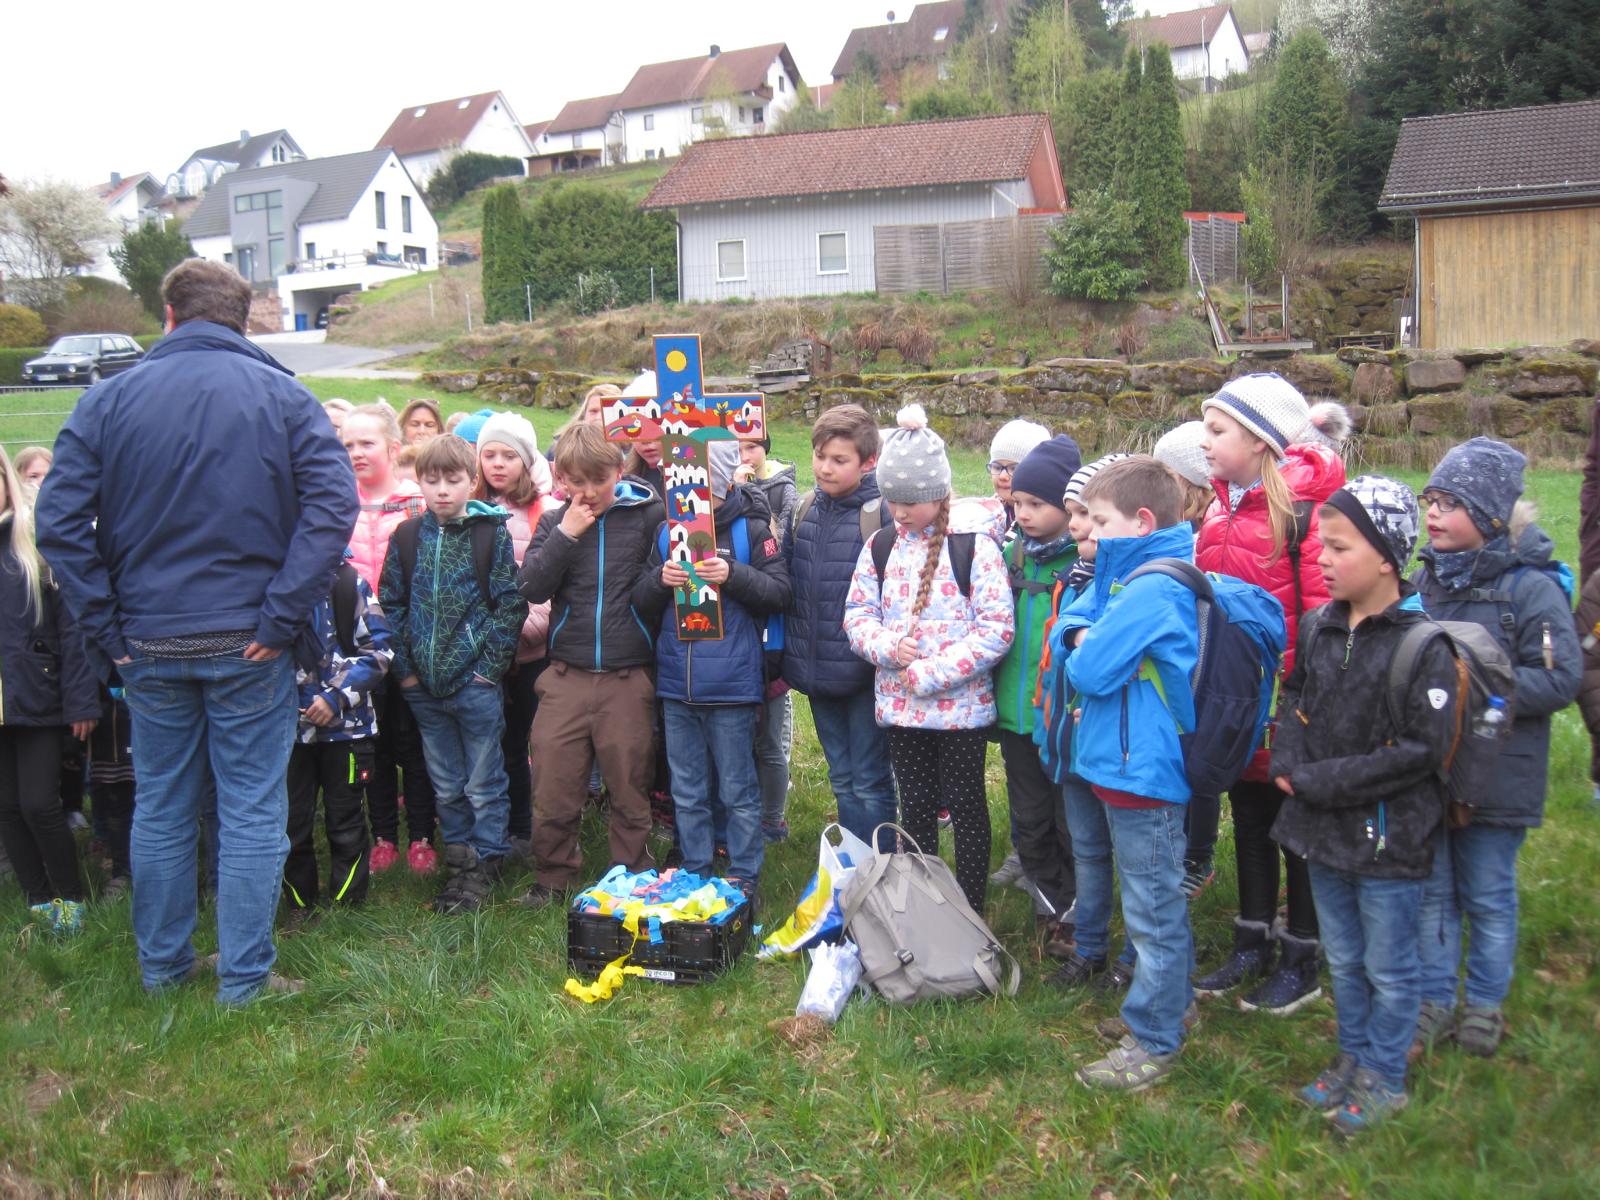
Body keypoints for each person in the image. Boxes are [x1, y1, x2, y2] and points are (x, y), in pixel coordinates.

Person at [37, 258, 357, 1003]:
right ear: (241, 321)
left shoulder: (108, 400)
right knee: (249, 810)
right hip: (244, 638)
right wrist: (281, 615)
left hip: (152, 641)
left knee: (163, 806)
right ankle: (241, 980)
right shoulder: (284, 396)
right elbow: (331, 507)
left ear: (170, 315)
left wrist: (109, 628)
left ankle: (166, 970)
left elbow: (58, 523)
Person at [1270, 475, 1455, 1137]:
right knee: (1345, 959)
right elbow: (1294, 696)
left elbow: (1419, 751)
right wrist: (1287, 760)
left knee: (1390, 966)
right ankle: (1351, 1056)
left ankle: (1385, 1075)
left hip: (1387, 840)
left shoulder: (1423, 647)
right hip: (1324, 832)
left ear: (1386, 557)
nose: (1321, 559)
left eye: (1339, 547)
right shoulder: (1322, 626)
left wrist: (1319, 781)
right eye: (1321, 545)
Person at [1409, 438, 1580, 1057]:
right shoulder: (1424, 581)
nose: (1434, 513)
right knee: (1432, 891)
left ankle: (1483, 1003)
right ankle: (1433, 999)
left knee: (1485, 891)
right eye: (1431, 499)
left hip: (1500, 773)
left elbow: (1561, 679)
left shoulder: (1531, 590)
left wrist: (1474, 690)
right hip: (1432, 768)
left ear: (1488, 515)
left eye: (1451, 503)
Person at [1194, 374, 1345, 1015]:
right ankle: (1250, 941)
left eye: (1217, 430)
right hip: (1234, 701)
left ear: (1260, 441)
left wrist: (1305, 701)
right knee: (1251, 820)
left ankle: (1302, 955)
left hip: (1290, 703)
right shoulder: (1218, 510)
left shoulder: (1305, 514)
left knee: (1295, 830)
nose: (1204, 441)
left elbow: (1324, 617)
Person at [1053, 455, 1199, 1091]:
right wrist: (1082, 635)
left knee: (1153, 908)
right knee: (1151, 900)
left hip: (1144, 771)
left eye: (1100, 520)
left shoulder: (1152, 589)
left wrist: (1085, 643)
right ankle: (1171, 1004)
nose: (1089, 530)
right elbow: (1069, 621)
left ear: (1141, 522)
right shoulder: (1122, 575)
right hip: (1122, 762)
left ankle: (1156, 1037)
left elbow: (1086, 671)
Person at [844, 405, 1014, 912]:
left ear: (939, 494)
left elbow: (996, 629)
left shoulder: (974, 548)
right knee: (915, 805)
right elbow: (857, 614)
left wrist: (931, 673)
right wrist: (887, 647)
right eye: (892, 500)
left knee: (965, 805)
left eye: (911, 502)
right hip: (901, 709)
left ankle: (969, 908)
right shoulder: (879, 546)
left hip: (960, 712)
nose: (899, 512)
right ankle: (920, 905)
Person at [516, 422, 662, 908]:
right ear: (560, 479)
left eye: (599, 481)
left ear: (619, 470)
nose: (589, 492)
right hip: (566, 675)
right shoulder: (554, 522)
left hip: (627, 675)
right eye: (577, 483)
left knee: (629, 781)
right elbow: (531, 587)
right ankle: (552, 877)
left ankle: (632, 875)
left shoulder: (649, 516)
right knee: (553, 782)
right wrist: (566, 535)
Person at [636, 442, 791, 896]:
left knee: (737, 788)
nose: (685, 488)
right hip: (676, 685)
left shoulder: (750, 528)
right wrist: (658, 581)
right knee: (686, 789)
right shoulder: (667, 532)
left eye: (696, 478)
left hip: (732, 686)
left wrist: (733, 574)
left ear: (720, 479)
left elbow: (781, 591)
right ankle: (695, 871)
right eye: (678, 478)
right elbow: (639, 601)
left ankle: (744, 876)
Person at [380, 435, 526, 914]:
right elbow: (392, 605)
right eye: (431, 480)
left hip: (475, 686)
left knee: (483, 781)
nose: (442, 490)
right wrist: (406, 674)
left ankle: (487, 859)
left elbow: (509, 605)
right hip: (423, 688)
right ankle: (460, 858)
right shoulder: (406, 536)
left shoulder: (490, 534)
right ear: (419, 482)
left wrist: (487, 671)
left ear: (471, 481)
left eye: (453, 479)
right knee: (445, 782)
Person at [1039, 454, 1138, 993]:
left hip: (1119, 745)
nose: (1080, 526)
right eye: (1078, 515)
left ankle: (1135, 957)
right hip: (1072, 739)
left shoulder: (1135, 584)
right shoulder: (1077, 580)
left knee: (1137, 861)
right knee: (1089, 850)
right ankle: (1090, 946)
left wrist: (1076, 637)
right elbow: (1059, 645)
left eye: (1093, 517)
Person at [784, 404, 896, 847]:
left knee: (869, 777)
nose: (825, 468)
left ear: (869, 462)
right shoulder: (804, 508)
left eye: (839, 459)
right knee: (842, 777)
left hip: (865, 673)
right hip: (818, 669)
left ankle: (882, 864)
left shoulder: (881, 515)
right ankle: (854, 862)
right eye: (819, 456)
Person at [0, 447, 99, 934]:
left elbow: (71, 631)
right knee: (7, 808)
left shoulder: (34, 545)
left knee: (40, 804)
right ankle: (38, 901)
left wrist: (80, 701)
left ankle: (70, 899)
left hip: (36, 696)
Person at [992, 434, 1081, 954]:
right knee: (1029, 818)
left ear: (1068, 507)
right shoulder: (1012, 556)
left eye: (1036, 504)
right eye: (1019, 502)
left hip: (1064, 719)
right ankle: (1048, 907)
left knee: (1071, 821)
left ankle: (1078, 912)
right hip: (1017, 716)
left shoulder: (1085, 561)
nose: (1022, 513)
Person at [341, 403, 436, 874]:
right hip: (357, 644)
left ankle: (422, 834)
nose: (356, 452)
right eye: (348, 445)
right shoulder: (338, 504)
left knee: (415, 741)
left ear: (393, 448)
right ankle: (382, 836)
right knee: (371, 742)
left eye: (367, 443)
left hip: (411, 640)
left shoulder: (418, 502)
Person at [283, 553, 391, 915]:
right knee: (291, 822)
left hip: (347, 731)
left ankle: (347, 905)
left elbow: (380, 651)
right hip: (289, 732)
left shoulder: (349, 584)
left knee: (345, 820)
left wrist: (335, 697)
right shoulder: (273, 588)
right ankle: (299, 904)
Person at [471, 412, 553, 858]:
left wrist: (520, 631)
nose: (498, 464)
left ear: (526, 460)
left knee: (526, 740)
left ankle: (526, 826)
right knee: (494, 745)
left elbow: (549, 582)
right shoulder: (468, 510)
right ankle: (494, 828)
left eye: (508, 455)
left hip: (529, 649)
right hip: (480, 653)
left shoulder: (544, 511)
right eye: (490, 455)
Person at [1154, 419, 1222, 896]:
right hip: (1174, 663)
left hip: (1203, 663)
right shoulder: (1166, 532)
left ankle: (1198, 853)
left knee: (1199, 760)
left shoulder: (1205, 538)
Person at [734, 433, 799, 841]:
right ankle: (743, 817)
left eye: (752, 446)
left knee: (770, 741)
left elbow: (780, 578)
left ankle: (772, 819)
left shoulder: (781, 493)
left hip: (770, 646)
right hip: (735, 650)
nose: (745, 455)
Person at [987, 419, 1051, 529]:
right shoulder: (988, 515)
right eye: (997, 467)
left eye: (1014, 469)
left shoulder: (1046, 522)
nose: (1003, 476)